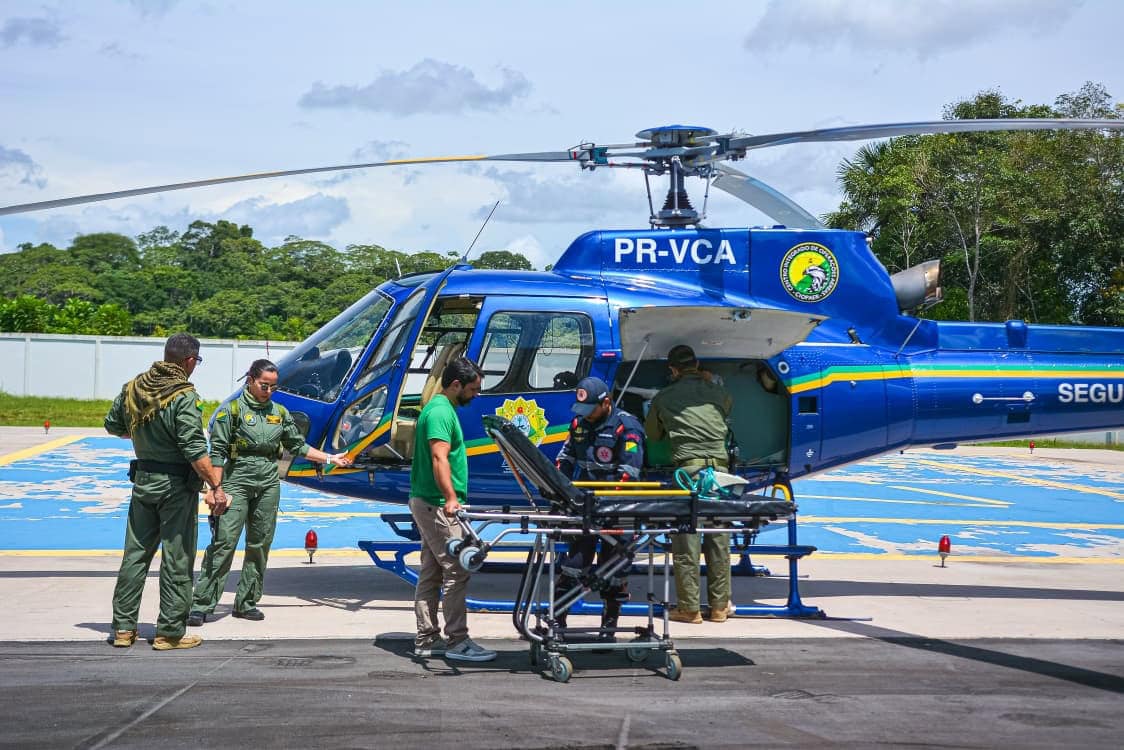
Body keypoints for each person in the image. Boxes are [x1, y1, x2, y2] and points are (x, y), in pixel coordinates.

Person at [188, 359, 351, 626]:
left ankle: (247, 602)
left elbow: (297, 445)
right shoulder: (231, 412)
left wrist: (331, 459)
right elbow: (216, 453)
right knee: (224, 543)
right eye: (265, 385)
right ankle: (202, 603)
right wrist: (215, 489)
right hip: (236, 480)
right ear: (250, 380)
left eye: (274, 387)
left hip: (267, 481)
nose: (269, 391)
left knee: (260, 544)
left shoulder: (280, 413)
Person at [104, 333, 229, 650]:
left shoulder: (134, 387)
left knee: (135, 556)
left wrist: (147, 438)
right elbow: (194, 448)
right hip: (175, 489)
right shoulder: (183, 395)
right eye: (196, 362)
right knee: (177, 558)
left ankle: (122, 629)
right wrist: (215, 484)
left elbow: (113, 425)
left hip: (144, 481)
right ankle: (169, 633)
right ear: (189, 361)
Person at [409, 356, 496, 662]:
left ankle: (427, 638)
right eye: (473, 389)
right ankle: (457, 640)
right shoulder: (440, 414)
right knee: (458, 570)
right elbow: (438, 458)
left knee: (432, 572)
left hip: (428, 501)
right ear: (456, 385)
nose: (476, 395)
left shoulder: (438, 409)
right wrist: (450, 497)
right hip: (436, 504)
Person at [645, 344, 735, 624]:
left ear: (673, 370)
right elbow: (726, 407)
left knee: (687, 541)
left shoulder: (665, 396)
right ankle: (719, 608)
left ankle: (690, 609)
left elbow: (653, 434)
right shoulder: (718, 392)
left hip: (690, 472)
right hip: (720, 473)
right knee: (719, 540)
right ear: (697, 366)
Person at [554, 376, 645, 641]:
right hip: (587, 507)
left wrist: (602, 502)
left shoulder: (627, 427)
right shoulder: (579, 424)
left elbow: (629, 474)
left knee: (613, 570)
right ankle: (558, 622)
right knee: (573, 565)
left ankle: (609, 628)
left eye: (590, 409)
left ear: (606, 403)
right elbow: (565, 459)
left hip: (619, 508)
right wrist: (561, 490)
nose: (585, 416)